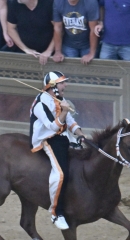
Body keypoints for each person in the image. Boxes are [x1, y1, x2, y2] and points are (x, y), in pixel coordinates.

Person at [29, 71, 85, 230]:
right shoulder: (41, 104)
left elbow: (70, 122)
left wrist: (80, 135)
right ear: (52, 86)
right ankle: (56, 213)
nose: (65, 85)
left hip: (62, 137)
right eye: (62, 83)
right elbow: (53, 126)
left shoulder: (61, 100)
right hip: (47, 139)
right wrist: (65, 111)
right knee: (61, 174)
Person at [6, 0, 55, 65]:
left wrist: (49, 51)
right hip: (24, 53)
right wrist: (25, 49)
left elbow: (58, 29)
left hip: (49, 53)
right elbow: (11, 28)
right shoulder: (15, 4)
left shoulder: (48, 3)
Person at [52, 0, 100, 65]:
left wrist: (91, 53)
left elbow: (93, 29)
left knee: (89, 71)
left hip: (88, 44)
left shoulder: (90, 2)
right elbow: (57, 28)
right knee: (69, 71)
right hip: (68, 44)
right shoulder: (58, 2)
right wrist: (57, 51)